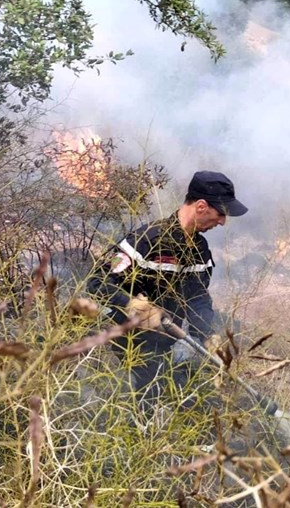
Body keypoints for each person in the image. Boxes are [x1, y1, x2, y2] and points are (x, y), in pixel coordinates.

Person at [86, 170, 248, 411]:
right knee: (157, 397)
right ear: (201, 206)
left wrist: (208, 336)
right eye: (221, 213)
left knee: (192, 393)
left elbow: (198, 298)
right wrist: (133, 305)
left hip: (165, 342)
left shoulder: (199, 250)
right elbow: (97, 281)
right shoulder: (146, 240)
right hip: (129, 341)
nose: (223, 221)